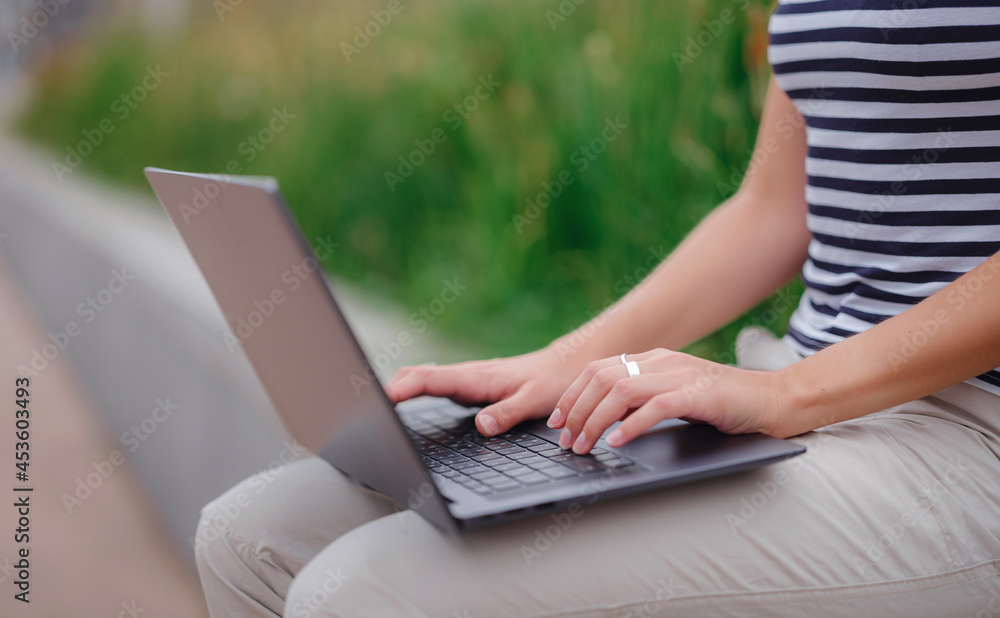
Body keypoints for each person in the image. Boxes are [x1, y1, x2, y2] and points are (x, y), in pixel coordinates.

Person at [193, 1, 1000, 616]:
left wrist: (793, 395)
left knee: (359, 595)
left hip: (968, 434)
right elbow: (772, 209)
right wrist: (562, 361)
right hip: (814, 393)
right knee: (251, 538)